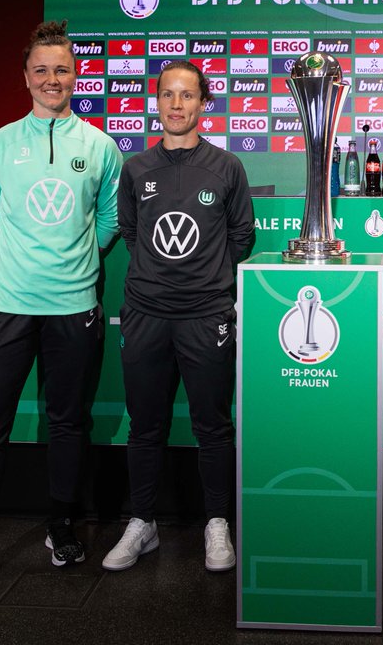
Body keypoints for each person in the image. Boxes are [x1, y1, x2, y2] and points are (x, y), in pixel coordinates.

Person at [0, 20, 122, 594]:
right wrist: (18, 259)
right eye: (42, 70)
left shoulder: (100, 146)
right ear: (26, 78)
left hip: (74, 307)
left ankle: (60, 524)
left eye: (61, 68)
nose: (52, 79)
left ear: (75, 73)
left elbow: (108, 221)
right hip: (5, 305)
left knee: (67, 423)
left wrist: (70, 260)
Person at [102, 60, 255, 573]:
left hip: (205, 315)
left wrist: (205, 280)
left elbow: (242, 238)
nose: (176, 104)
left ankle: (217, 522)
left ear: (203, 103)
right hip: (145, 314)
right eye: (167, 94)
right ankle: (142, 523)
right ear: (157, 102)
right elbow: (130, 231)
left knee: (213, 425)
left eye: (187, 95)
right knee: (144, 426)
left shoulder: (227, 167)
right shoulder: (136, 168)